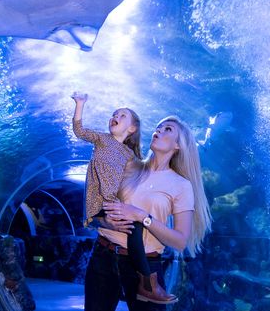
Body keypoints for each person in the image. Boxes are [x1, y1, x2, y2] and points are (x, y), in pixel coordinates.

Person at [84, 116, 213, 311]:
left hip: (146, 268)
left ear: (178, 145)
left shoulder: (181, 185)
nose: (159, 130)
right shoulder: (127, 165)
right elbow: (91, 212)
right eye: (158, 126)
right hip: (103, 256)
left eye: (167, 129)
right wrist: (104, 222)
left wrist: (142, 216)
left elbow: (179, 241)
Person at [71, 92, 174, 303]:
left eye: (122, 115)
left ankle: (148, 282)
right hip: (101, 201)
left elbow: (141, 179)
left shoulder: (131, 156)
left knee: (135, 228)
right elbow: (79, 130)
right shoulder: (102, 139)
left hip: (116, 203)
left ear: (132, 129)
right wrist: (80, 104)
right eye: (114, 114)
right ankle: (148, 282)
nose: (115, 116)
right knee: (131, 228)